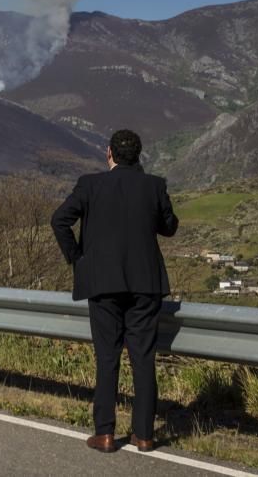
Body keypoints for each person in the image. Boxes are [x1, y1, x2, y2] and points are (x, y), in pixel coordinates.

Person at [51, 129, 178, 453]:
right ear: (139, 155)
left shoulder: (90, 185)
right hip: (145, 284)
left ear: (109, 153)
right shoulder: (154, 185)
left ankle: (105, 434)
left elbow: (59, 220)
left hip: (103, 283)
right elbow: (169, 227)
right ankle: (145, 435)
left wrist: (79, 260)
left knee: (107, 358)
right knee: (143, 359)